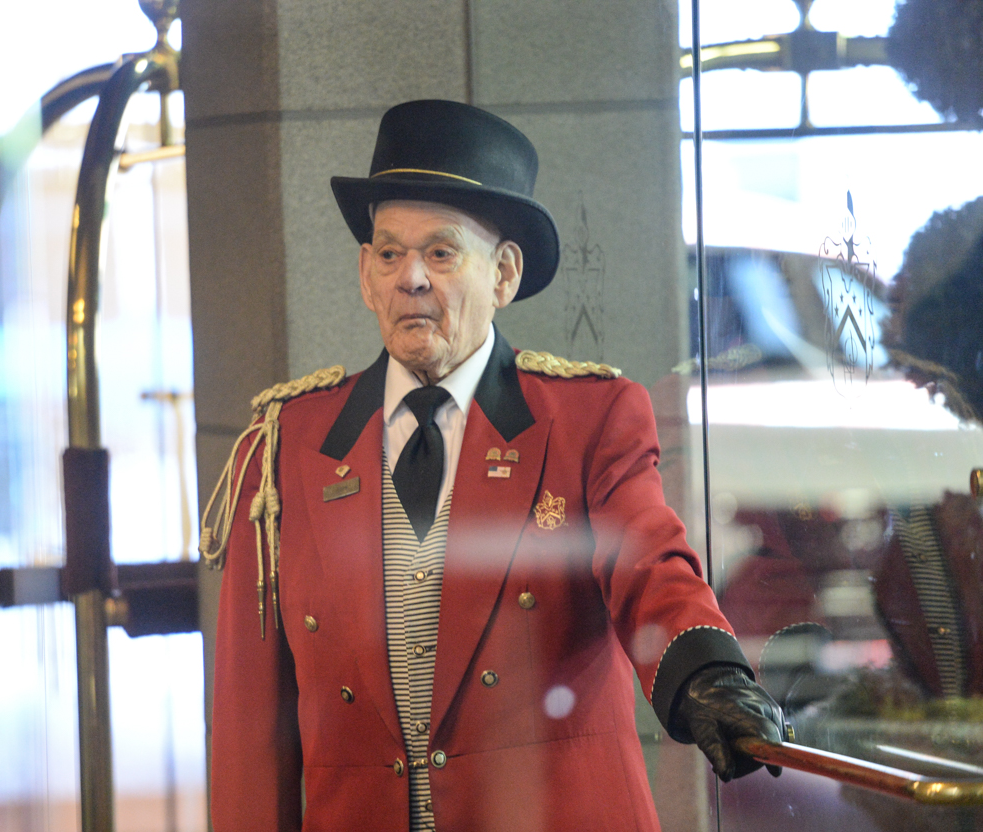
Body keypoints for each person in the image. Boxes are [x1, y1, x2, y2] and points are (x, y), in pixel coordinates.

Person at [201, 100, 784, 831]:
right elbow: (251, 724)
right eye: (389, 254)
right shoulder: (285, 444)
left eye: (441, 253)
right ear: (365, 274)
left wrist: (708, 672)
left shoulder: (587, 420)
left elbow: (652, 565)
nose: (411, 278)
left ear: (504, 274)